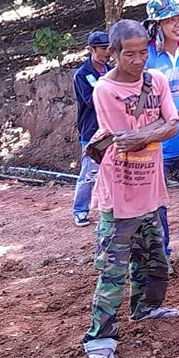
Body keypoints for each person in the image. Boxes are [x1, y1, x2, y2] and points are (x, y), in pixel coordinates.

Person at [82, 19, 179, 358]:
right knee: (112, 269)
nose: (139, 60)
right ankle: (100, 336)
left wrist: (149, 132)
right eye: (130, 54)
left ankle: (146, 307)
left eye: (143, 52)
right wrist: (156, 130)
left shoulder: (158, 80)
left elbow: (174, 125)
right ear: (113, 54)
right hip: (119, 193)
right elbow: (124, 137)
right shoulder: (104, 91)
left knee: (155, 260)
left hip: (150, 188)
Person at [143, 0, 179, 262]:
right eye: (170, 20)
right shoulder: (147, 55)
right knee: (158, 201)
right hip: (158, 135)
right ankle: (163, 254)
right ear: (157, 25)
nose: (178, 24)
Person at [72, 30, 112, 227]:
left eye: (109, 48)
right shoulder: (82, 75)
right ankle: (80, 210)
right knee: (89, 172)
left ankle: (111, 209)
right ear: (91, 49)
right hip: (91, 131)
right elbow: (90, 100)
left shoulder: (112, 70)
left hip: (112, 129)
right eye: (103, 48)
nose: (107, 52)